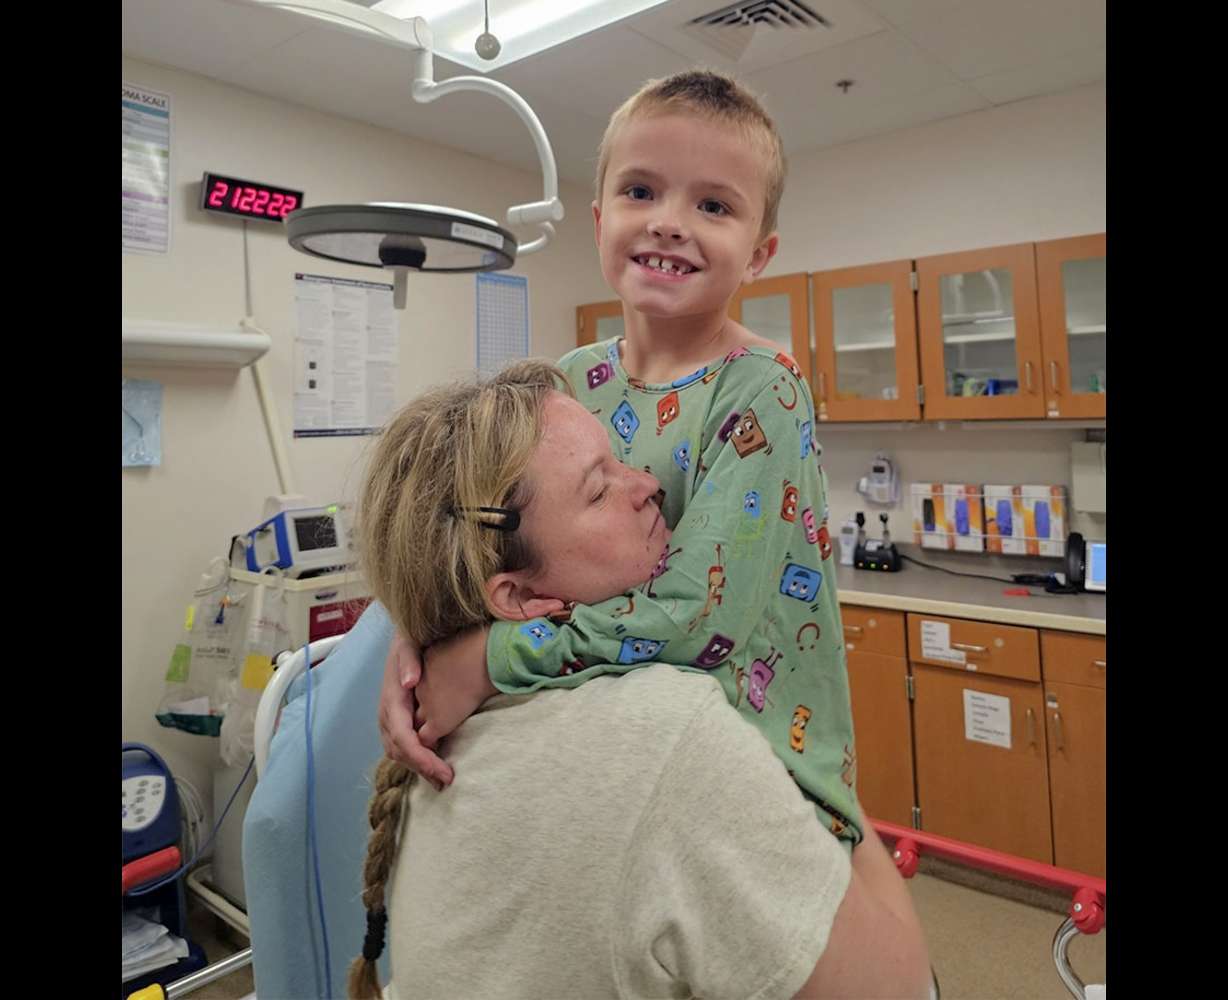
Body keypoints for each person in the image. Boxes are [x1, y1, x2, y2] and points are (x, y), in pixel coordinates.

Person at [380, 69, 865, 852]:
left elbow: (694, 615)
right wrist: (417, 646)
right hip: (607, 736)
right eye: (642, 191)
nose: (670, 223)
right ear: (600, 218)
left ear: (759, 252)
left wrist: (488, 658)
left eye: (713, 205)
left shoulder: (763, 388)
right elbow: (487, 544)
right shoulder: (570, 380)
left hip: (756, 765)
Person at [349, 361, 934, 999]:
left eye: (622, 457)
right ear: (513, 596)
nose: (651, 483)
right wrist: (841, 800)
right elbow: (902, 991)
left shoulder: (441, 723)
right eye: (598, 490)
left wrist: (428, 636)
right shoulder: (663, 734)